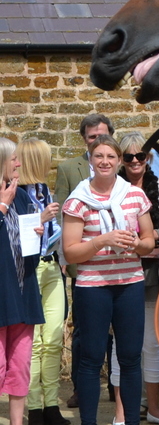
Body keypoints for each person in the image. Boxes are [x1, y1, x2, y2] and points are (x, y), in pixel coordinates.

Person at [61, 135, 156, 425]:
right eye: (99, 156)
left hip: (129, 283)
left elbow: (149, 241)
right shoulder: (77, 200)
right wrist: (102, 240)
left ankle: (131, 421)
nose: (105, 161)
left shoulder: (135, 195)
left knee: (130, 358)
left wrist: (136, 244)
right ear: (90, 160)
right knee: (91, 359)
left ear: (118, 161)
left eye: (111, 156)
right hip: (93, 287)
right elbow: (70, 252)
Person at [108, 133, 159, 425]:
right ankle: (122, 412)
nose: (135, 161)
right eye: (129, 157)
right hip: (119, 272)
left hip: (153, 273)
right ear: (121, 160)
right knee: (122, 344)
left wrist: (152, 238)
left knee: (151, 343)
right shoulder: (111, 190)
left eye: (141, 156)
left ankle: (153, 407)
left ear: (148, 159)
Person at [55, 113, 115, 408]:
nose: (98, 141)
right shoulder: (69, 168)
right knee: (82, 329)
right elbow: (60, 214)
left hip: (116, 263)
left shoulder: (117, 165)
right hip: (84, 262)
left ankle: (116, 386)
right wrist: (63, 253)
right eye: (92, 137)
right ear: (84, 139)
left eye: (103, 135)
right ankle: (81, 387)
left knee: (116, 331)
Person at [18, 139, 69, 425]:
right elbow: (14, 235)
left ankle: (52, 405)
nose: (49, 164)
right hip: (30, 269)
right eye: (45, 158)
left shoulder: (43, 189)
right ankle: (35, 408)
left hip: (51, 267)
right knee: (34, 343)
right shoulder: (15, 192)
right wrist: (41, 217)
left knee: (53, 339)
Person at [0, 138, 45, 425]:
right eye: (14, 158)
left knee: (20, 366)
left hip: (23, 291)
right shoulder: (8, 200)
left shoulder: (23, 197)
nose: (19, 163)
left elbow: (32, 255)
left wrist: (36, 235)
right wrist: (1, 207)